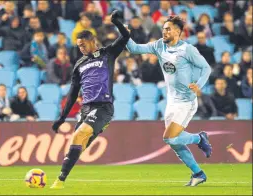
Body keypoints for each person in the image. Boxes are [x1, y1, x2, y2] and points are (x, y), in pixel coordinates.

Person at [126, 16, 212, 186]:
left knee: (170, 138)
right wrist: (125, 35)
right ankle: (198, 173)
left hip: (186, 102)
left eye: (168, 29)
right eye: (164, 28)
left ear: (178, 32)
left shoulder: (188, 50)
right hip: (171, 101)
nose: (164, 31)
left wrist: (199, 85)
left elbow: (206, 68)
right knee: (175, 143)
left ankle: (198, 138)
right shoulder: (159, 45)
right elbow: (134, 49)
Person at [50, 10, 130, 189]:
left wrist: (116, 21)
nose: (81, 48)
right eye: (79, 46)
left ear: (92, 41)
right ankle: (62, 179)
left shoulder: (107, 53)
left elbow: (125, 36)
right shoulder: (79, 64)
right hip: (85, 108)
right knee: (77, 144)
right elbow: (72, 93)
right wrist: (62, 118)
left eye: (83, 45)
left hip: (103, 107)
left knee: (79, 135)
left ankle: (59, 181)